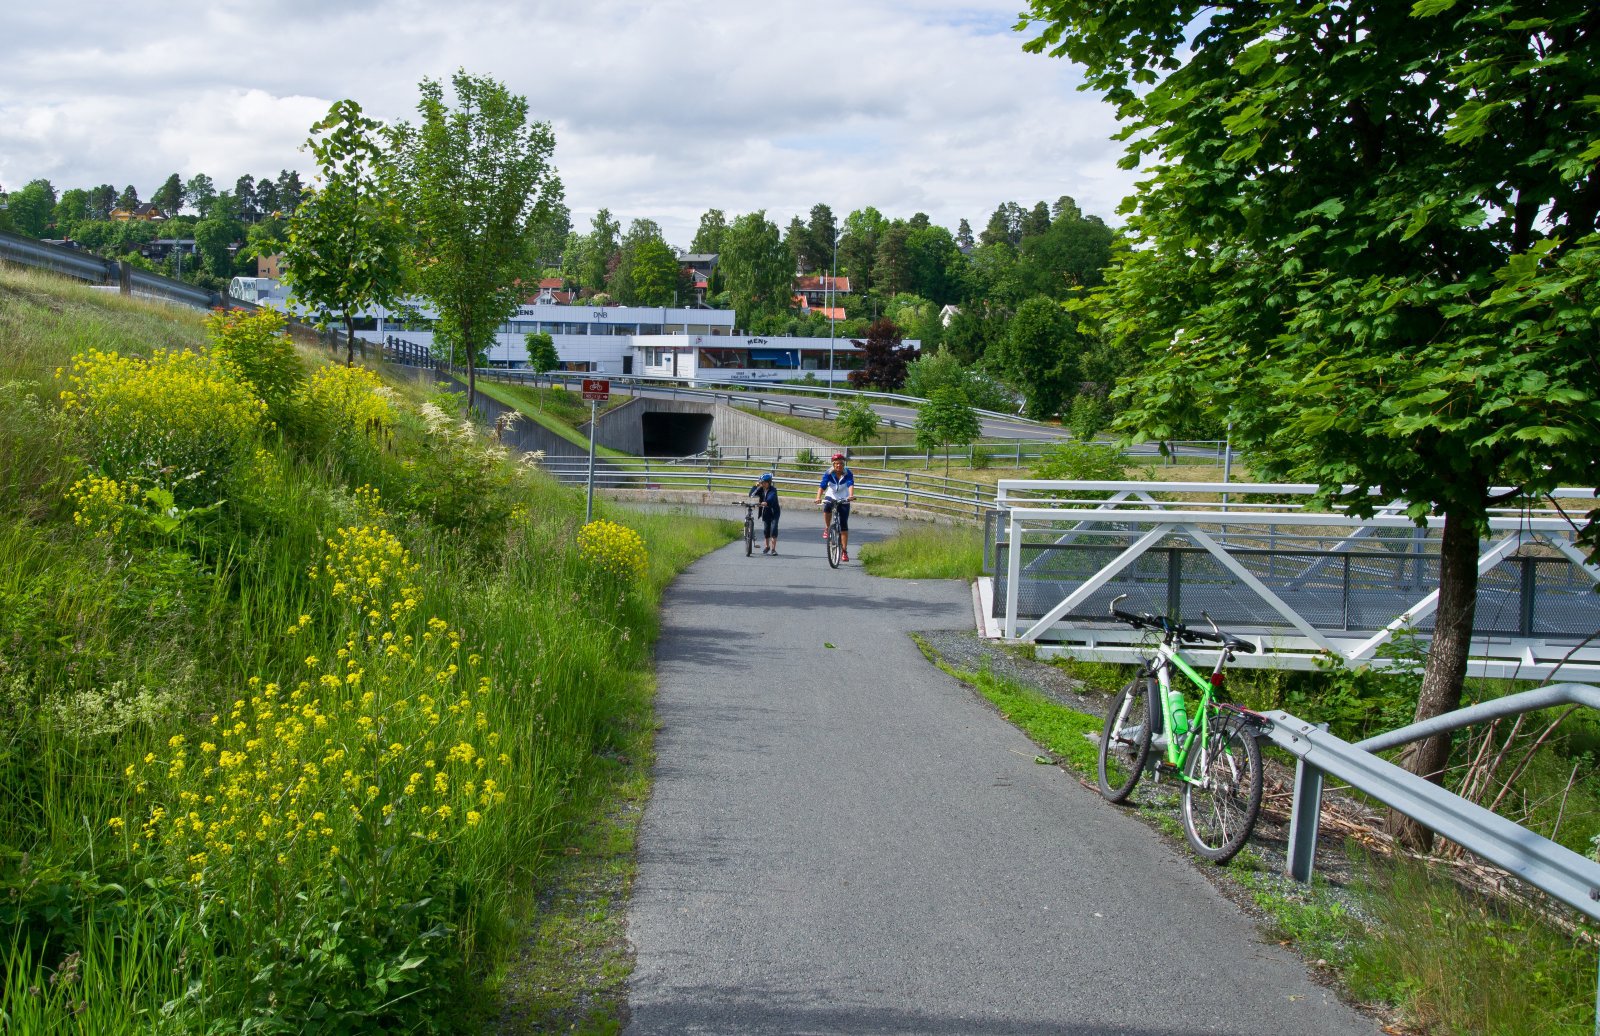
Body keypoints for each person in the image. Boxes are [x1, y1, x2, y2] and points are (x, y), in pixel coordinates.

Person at [814, 452, 855, 562]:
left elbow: (850, 484)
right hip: (831, 495)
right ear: (833, 464)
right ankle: (827, 528)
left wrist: (850, 496)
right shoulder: (828, 473)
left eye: (841, 463)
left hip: (844, 497)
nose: (839, 466)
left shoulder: (848, 473)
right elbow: (822, 486)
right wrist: (818, 497)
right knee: (827, 506)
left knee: (843, 525)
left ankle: (844, 551)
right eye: (836, 464)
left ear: (843, 464)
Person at [749, 472, 780, 555]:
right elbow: (751, 494)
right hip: (766, 512)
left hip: (774, 512)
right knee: (766, 530)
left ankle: (773, 549)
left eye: (763, 482)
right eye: (761, 482)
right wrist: (756, 486)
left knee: (773, 529)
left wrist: (765, 502)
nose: (762, 484)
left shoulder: (773, 490)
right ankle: (767, 547)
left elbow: (771, 498)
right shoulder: (761, 489)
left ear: (768, 482)